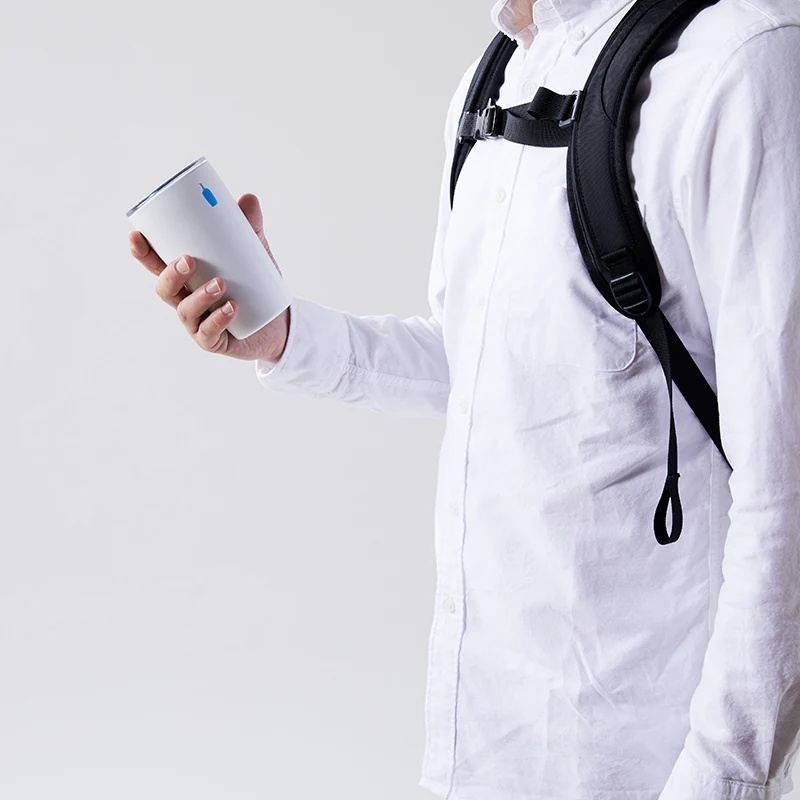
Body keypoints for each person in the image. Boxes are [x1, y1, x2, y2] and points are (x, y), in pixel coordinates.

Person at [128, 0, 800, 796]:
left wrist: (723, 778)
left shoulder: (738, 62)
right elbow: (481, 366)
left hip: (646, 755)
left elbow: (785, 489)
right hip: (481, 739)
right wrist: (284, 337)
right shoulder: (495, 79)